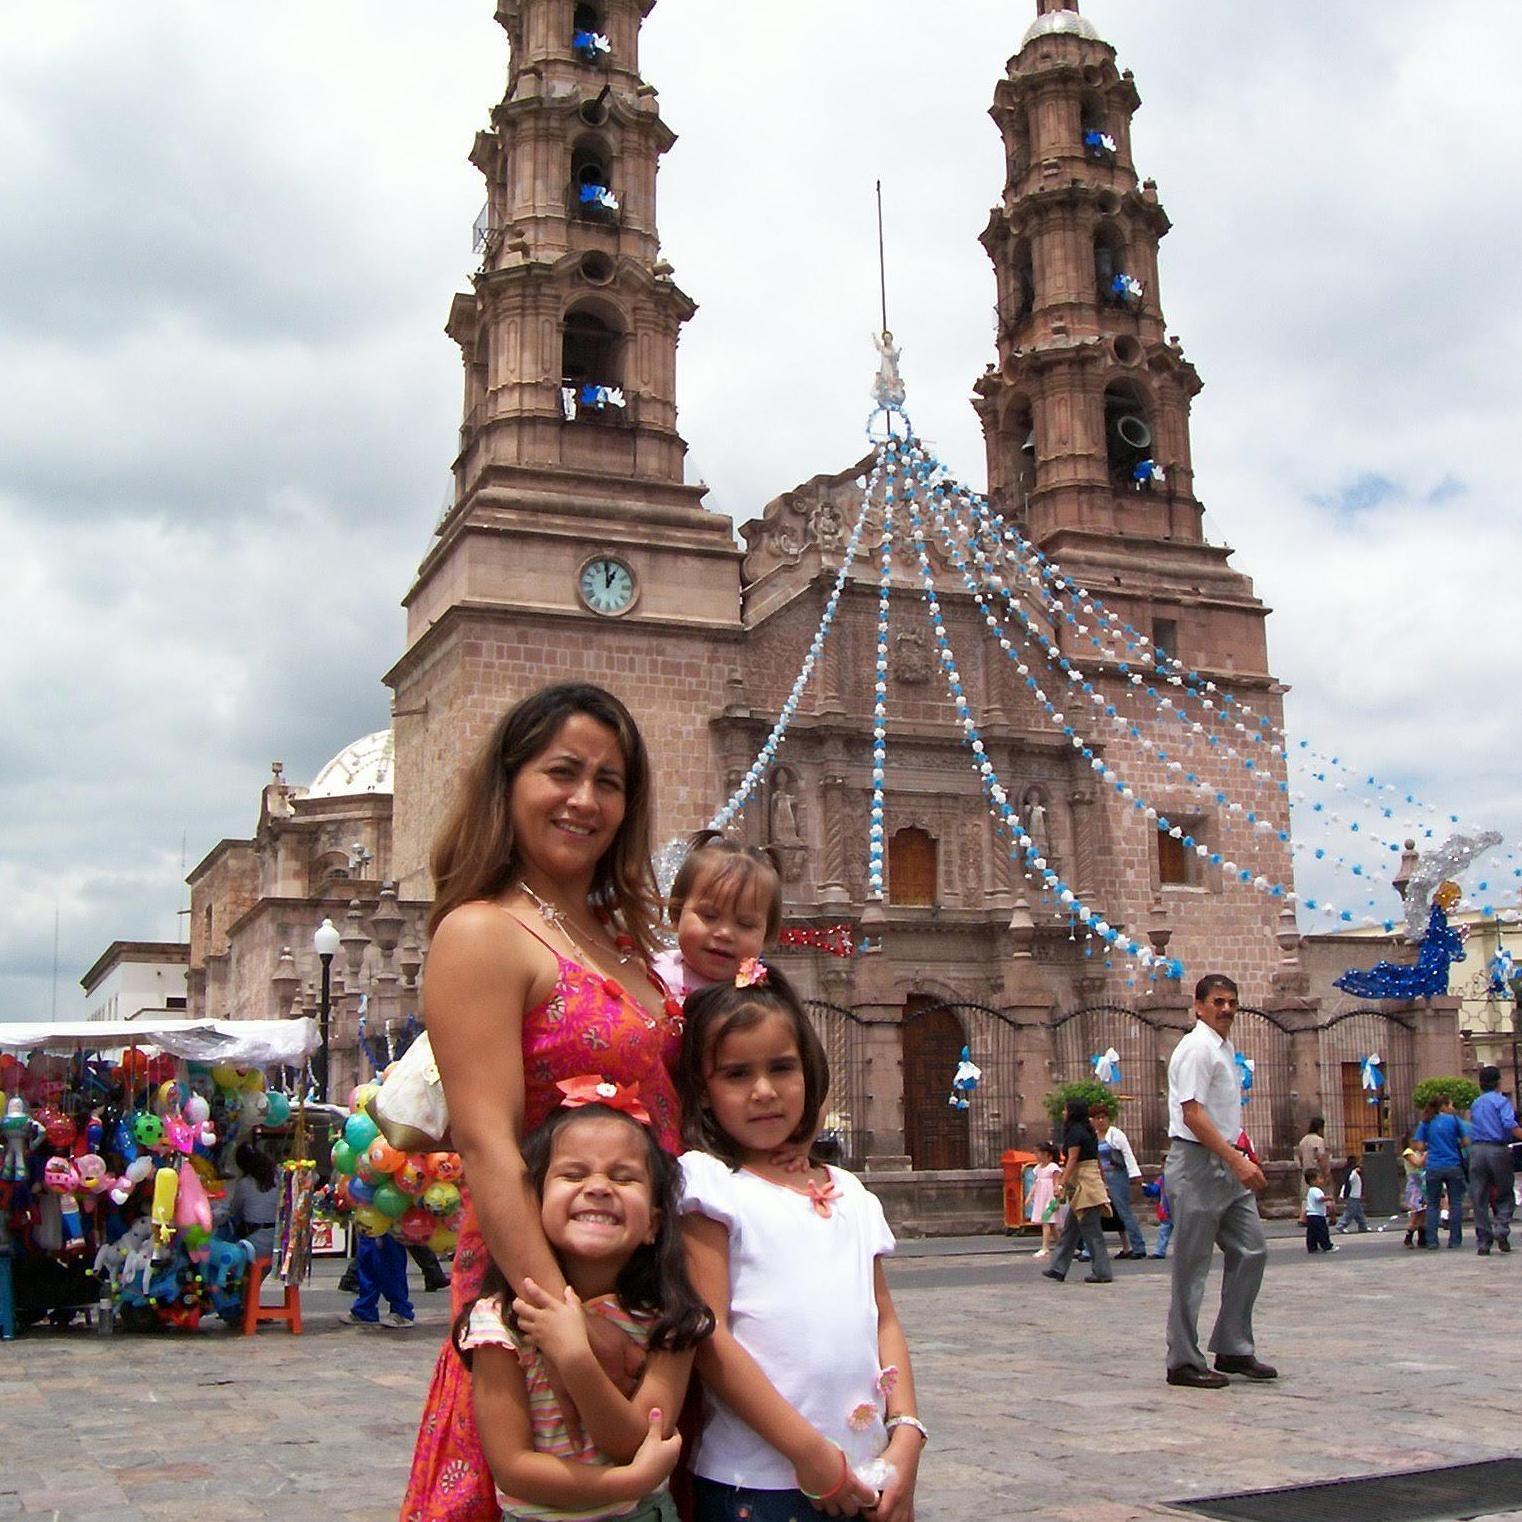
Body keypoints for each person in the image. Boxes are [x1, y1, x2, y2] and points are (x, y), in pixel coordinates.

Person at [403, 684, 687, 1522]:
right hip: (540, 1298)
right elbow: (488, 1146)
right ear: (508, 782)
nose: (585, 799)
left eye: (610, 781)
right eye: (562, 771)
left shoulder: (623, 939)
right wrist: (566, 1325)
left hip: (641, 1284)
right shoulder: (482, 933)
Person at [678, 961, 924, 1522]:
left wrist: (907, 1431)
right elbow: (708, 1333)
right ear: (704, 1089)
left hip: (869, 1472)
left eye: (782, 1068)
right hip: (757, 1482)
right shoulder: (712, 1185)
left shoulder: (853, 1193)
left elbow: (883, 1319)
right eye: (737, 1074)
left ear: (810, 1073)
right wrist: (808, 1453)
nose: (764, 1091)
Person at [457, 1098, 712, 1522]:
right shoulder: (499, 1323)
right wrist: (625, 1484)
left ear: (653, 1223)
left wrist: (575, 1358)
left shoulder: (672, 1322)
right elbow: (512, 1468)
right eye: (573, 1174)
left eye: (624, 1177)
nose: (598, 1187)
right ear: (533, 1207)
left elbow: (633, 1441)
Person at [1163, 974, 1274, 1389]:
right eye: (1217, 1002)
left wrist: (1239, 1156)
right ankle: (1182, 1360)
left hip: (1227, 1161)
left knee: (1252, 1248)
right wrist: (1235, 1160)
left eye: (1232, 1002)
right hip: (1198, 1163)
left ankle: (1232, 1344)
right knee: (1191, 1266)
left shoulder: (1222, 1048)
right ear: (1198, 1006)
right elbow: (1192, 1114)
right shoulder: (1195, 1048)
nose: (1226, 1009)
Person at [652, 833, 781, 1002]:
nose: (725, 933)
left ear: (766, 935)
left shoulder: (762, 1001)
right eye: (709, 916)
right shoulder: (651, 975)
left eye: (745, 924)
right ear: (676, 914)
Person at [1040, 1097, 1113, 1285]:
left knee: (1092, 1230)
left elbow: (1072, 1160)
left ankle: (1102, 1271)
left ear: (1072, 1112)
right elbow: (1096, 1158)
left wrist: (1061, 1184)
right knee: (1070, 1230)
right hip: (1089, 1182)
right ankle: (1058, 1268)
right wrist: (1103, 1181)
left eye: (1065, 1110)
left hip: (1084, 1186)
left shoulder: (1074, 1132)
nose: (1063, 1113)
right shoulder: (1089, 1132)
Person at [1467, 1065, 1522, 1255]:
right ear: (1498, 1082)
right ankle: (1501, 1228)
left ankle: (1484, 1240)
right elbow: (1509, 1124)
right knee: (1506, 1194)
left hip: (1477, 1151)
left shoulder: (1476, 1103)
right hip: (1497, 1150)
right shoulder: (1501, 1101)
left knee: (1479, 1196)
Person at [1091, 1101, 1148, 1258]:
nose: (1101, 1121)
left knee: (1124, 1211)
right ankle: (1090, 1250)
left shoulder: (1116, 1134)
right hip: (1100, 1176)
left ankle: (1138, 1247)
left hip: (1117, 1174)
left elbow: (1128, 1154)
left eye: (1103, 1117)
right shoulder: (1093, 1137)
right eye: (1097, 1118)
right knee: (1095, 1212)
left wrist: (1134, 1174)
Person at [1415, 1095, 1467, 1249]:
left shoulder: (1426, 1121)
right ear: (1443, 1106)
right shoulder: (1454, 1120)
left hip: (1434, 1166)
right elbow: (1465, 1141)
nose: (1452, 1107)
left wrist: (1430, 1147)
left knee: (1432, 1204)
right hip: (1453, 1165)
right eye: (1451, 1104)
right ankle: (1455, 1240)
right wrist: (1454, 1144)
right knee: (1456, 1203)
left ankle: (1432, 1240)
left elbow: (1418, 1145)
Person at [217, 1142, 279, 1262]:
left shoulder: (245, 1183)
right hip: (275, 1240)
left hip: (254, 1242)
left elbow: (234, 1210)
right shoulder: (277, 1178)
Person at [346, 1227, 416, 1328]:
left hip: (389, 1217)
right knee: (367, 1258)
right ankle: (365, 1309)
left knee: (389, 1258)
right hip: (368, 1216)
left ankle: (401, 1311)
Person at [1027, 1140, 1063, 1258]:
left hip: (1050, 1198)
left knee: (1046, 1221)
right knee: (1050, 1224)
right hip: (1041, 1197)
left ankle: (1045, 1247)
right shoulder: (1038, 1168)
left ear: (1047, 1154)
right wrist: (1030, 1196)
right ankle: (1061, 1245)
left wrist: (1057, 1197)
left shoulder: (1053, 1167)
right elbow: (1035, 1183)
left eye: (1039, 1153)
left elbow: (1057, 1182)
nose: (1036, 1156)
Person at [1294, 1116, 1331, 1206]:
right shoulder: (1319, 1141)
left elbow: (1300, 1158)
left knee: (1307, 1201)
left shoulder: (1303, 1141)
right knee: (1322, 1200)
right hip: (1317, 1175)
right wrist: (1326, 1174)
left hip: (1306, 1175)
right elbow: (1321, 1158)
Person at [1399, 1132, 1427, 1248]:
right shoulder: (1408, 1152)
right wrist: (1426, 1154)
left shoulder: (1418, 1153)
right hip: (1414, 1185)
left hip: (1422, 1184)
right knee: (1416, 1213)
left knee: (1423, 1212)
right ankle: (1408, 1237)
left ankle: (1422, 1237)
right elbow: (1418, 1163)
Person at [1302, 1170, 1334, 1253]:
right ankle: (1327, 1246)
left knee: (1312, 1232)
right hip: (1317, 1215)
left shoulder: (1311, 1190)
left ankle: (1312, 1247)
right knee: (1322, 1231)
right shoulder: (1316, 1190)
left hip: (1311, 1214)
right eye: (1319, 1178)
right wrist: (1329, 1197)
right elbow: (1319, 1199)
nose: (1322, 1180)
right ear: (1313, 1181)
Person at [1143, 1164, 1172, 1258]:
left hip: (1171, 1208)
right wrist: (1146, 1187)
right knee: (1164, 1231)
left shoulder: (1163, 1179)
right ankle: (1159, 1251)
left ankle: (1160, 1251)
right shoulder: (1162, 1179)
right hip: (1167, 1209)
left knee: (1165, 1231)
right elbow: (1154, 1191)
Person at [1335, 1155, 1368, 1234]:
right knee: (1350, 1212)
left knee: (1359, 1213)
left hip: (1356, 1196)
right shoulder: (1352, 1173)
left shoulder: (1353, 1173)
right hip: (1352, 1196)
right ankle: (1341, 1225)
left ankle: (1363, 1226)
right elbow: (1348, 1181)